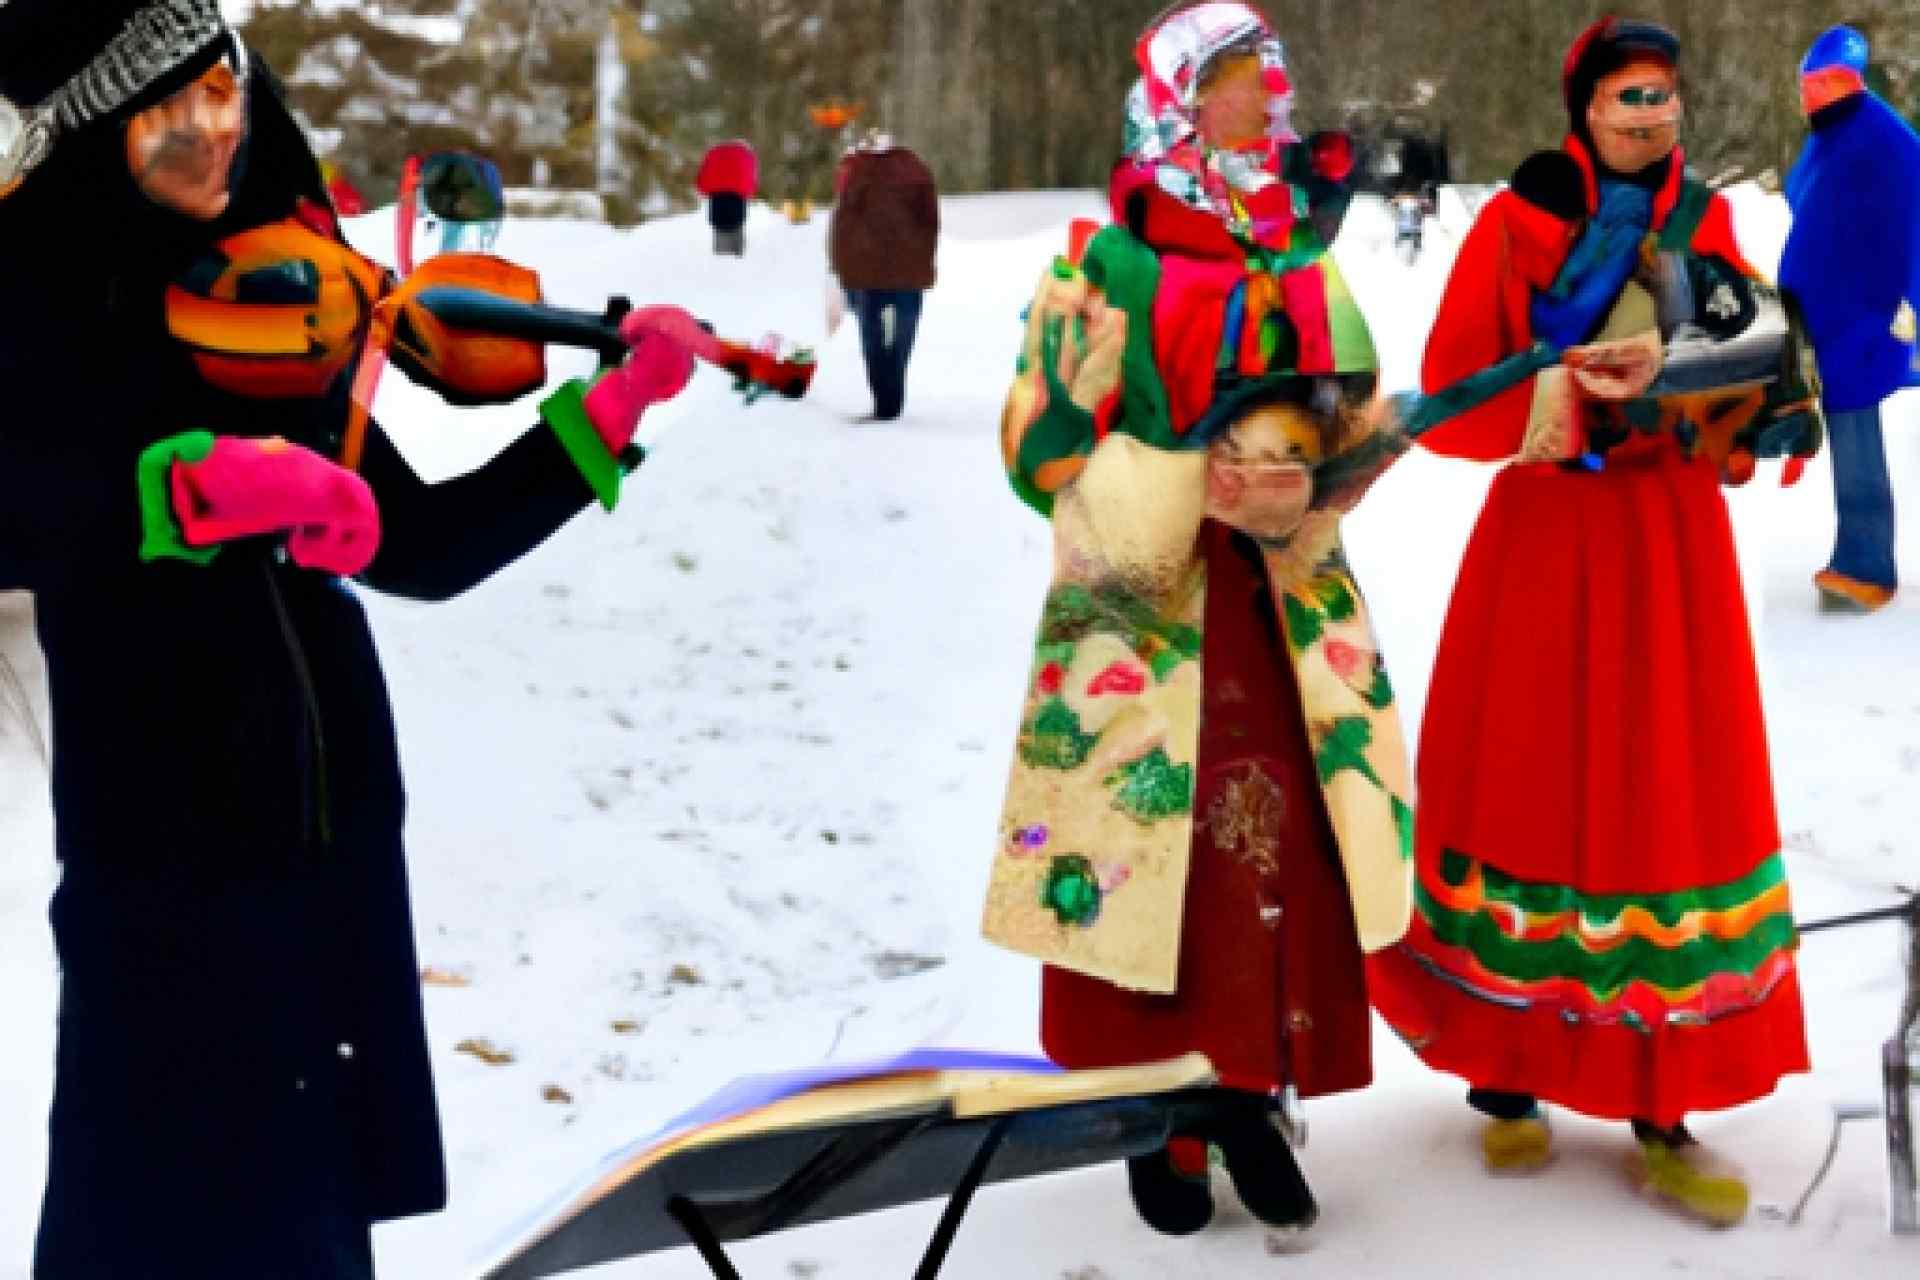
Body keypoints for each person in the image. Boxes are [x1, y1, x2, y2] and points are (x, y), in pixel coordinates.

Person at [0, 3, 701, 1274]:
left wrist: (602, 415)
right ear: (103, 135)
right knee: (140, 1222)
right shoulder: (49, 326)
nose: (217, 130)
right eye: (171, 115)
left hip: (330, 853)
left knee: (315, 1232)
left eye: (229, 91)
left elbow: (419, 545)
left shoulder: (270, 317)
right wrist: (182, 491)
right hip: (164, 874)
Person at [1366, 16, 1811, 1227]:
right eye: (1628, 98)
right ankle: (1508, 1074)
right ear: (1583, 108)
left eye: (1664, 99)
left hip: (1669, 546)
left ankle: (1665, 1102)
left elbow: (1756, 362)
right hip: (1550, 543)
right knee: (1531, 777)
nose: (1650, 118)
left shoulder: (1710, 226)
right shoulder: (1518, 221)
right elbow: (1454, 394)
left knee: (1666, 789)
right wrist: (1563, 383)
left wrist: (1746, 397)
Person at [984, 2, 1414, 1237]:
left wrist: (1345, 455)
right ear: (1177, 101)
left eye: (1265, 80)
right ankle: (1171, 1110)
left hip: (1279, 608)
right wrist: (1132, 450)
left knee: (1276, 850)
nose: (1262, 103)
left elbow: (1354, 413)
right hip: (1147, 610)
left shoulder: (1297, 254)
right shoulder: (1106, 260)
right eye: (1232, 82)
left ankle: (1251, 1088)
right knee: (1162, 860)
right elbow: (1036, 451)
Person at [1779, 23, 1920, 613]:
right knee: (1840, 418)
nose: (1815, 94)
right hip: (1827, 313)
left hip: (1870, 313)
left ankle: (1867, 564)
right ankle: (1856, 555)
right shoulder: (1827, 135)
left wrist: (1911, 299)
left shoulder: (1883, 135)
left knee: (1853, 418)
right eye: (1810, 84)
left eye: (1830, 82)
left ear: (1853, 81)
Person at [828, 129, 938, 422]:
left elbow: (843, 225)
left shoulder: (856, 171)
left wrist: (842, 267)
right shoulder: (916, 170)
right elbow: (931, 222)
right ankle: (894, 390)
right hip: (908, 269)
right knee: (903, 334)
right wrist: (924, 257)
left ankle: (884, 399)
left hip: (867, 273)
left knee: (872, 336)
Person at [696, 138, 758, 257]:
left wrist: (706, 190)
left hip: (717, 202)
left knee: (720, 232)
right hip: (737, 201)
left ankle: (721, 261)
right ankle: (737, 258)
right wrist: (748, 192)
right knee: (736, 230)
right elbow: (750, 179)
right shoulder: (746, 154)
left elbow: (703, 178)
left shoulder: (714, 152)